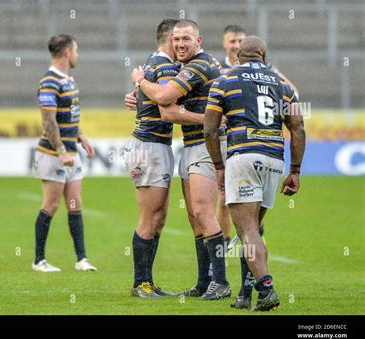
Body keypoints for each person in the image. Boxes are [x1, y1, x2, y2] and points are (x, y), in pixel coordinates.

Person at [131, 19, 231, 301]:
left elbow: (166, 101)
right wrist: (140, 96)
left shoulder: (200, 64)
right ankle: (203, 283)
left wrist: (140, 82)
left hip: (205, 145)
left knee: (202, 213)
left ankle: (220, 281)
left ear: (198, 41)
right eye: (176, 40)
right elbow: (161, 98)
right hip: (191, 145)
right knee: (193, 217)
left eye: (186, 39)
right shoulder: (183, 67)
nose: (180, 44)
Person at [204, 35, 306, 311]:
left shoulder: (224, 82)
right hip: (274, 159)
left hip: (243, 157)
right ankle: (245, 293)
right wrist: (295, 170)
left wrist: (218, 167)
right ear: (264, 55)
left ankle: (267, 289)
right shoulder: (283, 86)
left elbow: (210, 129)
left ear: (239, 56)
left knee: (246, 229)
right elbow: (297, 128)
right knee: (253, 230)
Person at [124, 19, 204, 298]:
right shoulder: (165, 65)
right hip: (148, 147)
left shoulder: (155, 64)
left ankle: (147, 282)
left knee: (159, 216)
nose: (183, 45)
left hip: (155, 146)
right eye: (179, 39)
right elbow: (167, 104)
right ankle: (140, 284)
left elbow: (152, 96)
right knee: (151, 216)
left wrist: (137, 90)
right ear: (171, 39)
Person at [32, 34, 97, 273]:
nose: (77, 54)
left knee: (75, 203)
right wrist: (60, 151)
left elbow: (66, 116)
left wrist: (81, 137)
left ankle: (82, 259)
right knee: (50, 204)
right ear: (68, 52)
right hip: (52, 154)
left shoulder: (68, 79)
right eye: (76, 50)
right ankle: (39, 260)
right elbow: (48, 122)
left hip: (71, 152)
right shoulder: (49, 82)